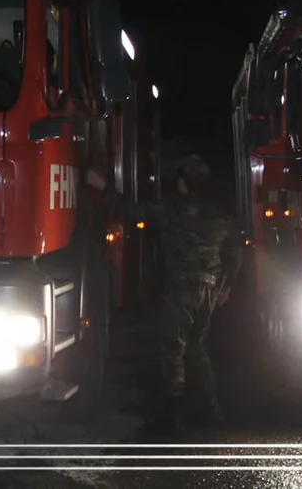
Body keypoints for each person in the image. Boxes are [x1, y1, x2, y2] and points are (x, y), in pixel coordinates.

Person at [87, 153, 236, 432]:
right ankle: (212, 407)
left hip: (182, 287)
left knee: (172, 349)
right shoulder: (219, 212)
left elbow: (132, 211)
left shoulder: (174, 209)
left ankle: (173, 412)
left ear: (184, 181)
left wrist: (102, 186)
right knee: (197, 345)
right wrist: (226, 286)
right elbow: (235, 252)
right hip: (209, 287)